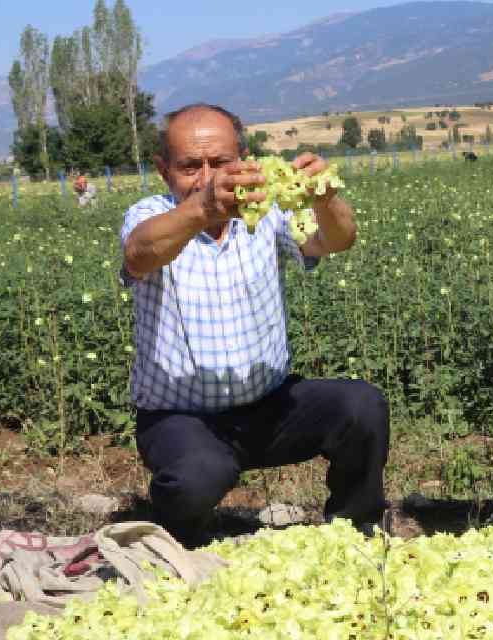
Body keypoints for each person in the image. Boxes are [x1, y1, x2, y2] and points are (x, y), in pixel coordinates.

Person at [119, 103, 390, 546]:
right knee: (196, 477)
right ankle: (178, 536)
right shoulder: (150, 214)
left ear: (243, 159)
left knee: (360, 406)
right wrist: (202, 210)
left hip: (269, 407)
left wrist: (326, 196)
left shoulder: (267, 212)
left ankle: (356, 531)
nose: (207, 177)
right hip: (182, 417)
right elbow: (139, 253)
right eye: (190, 166)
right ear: (163, 169)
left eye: (220, 163)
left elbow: (333, 241)